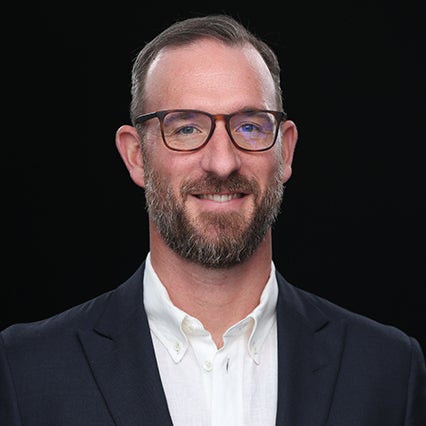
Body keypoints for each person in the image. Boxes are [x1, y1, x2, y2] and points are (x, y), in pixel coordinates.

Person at [1, 13, 425, 426]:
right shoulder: (25, 370)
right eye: (186, 128)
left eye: (250, 127)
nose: (222, 162)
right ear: (136, 156)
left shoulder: (389, 369)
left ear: (285, 151)